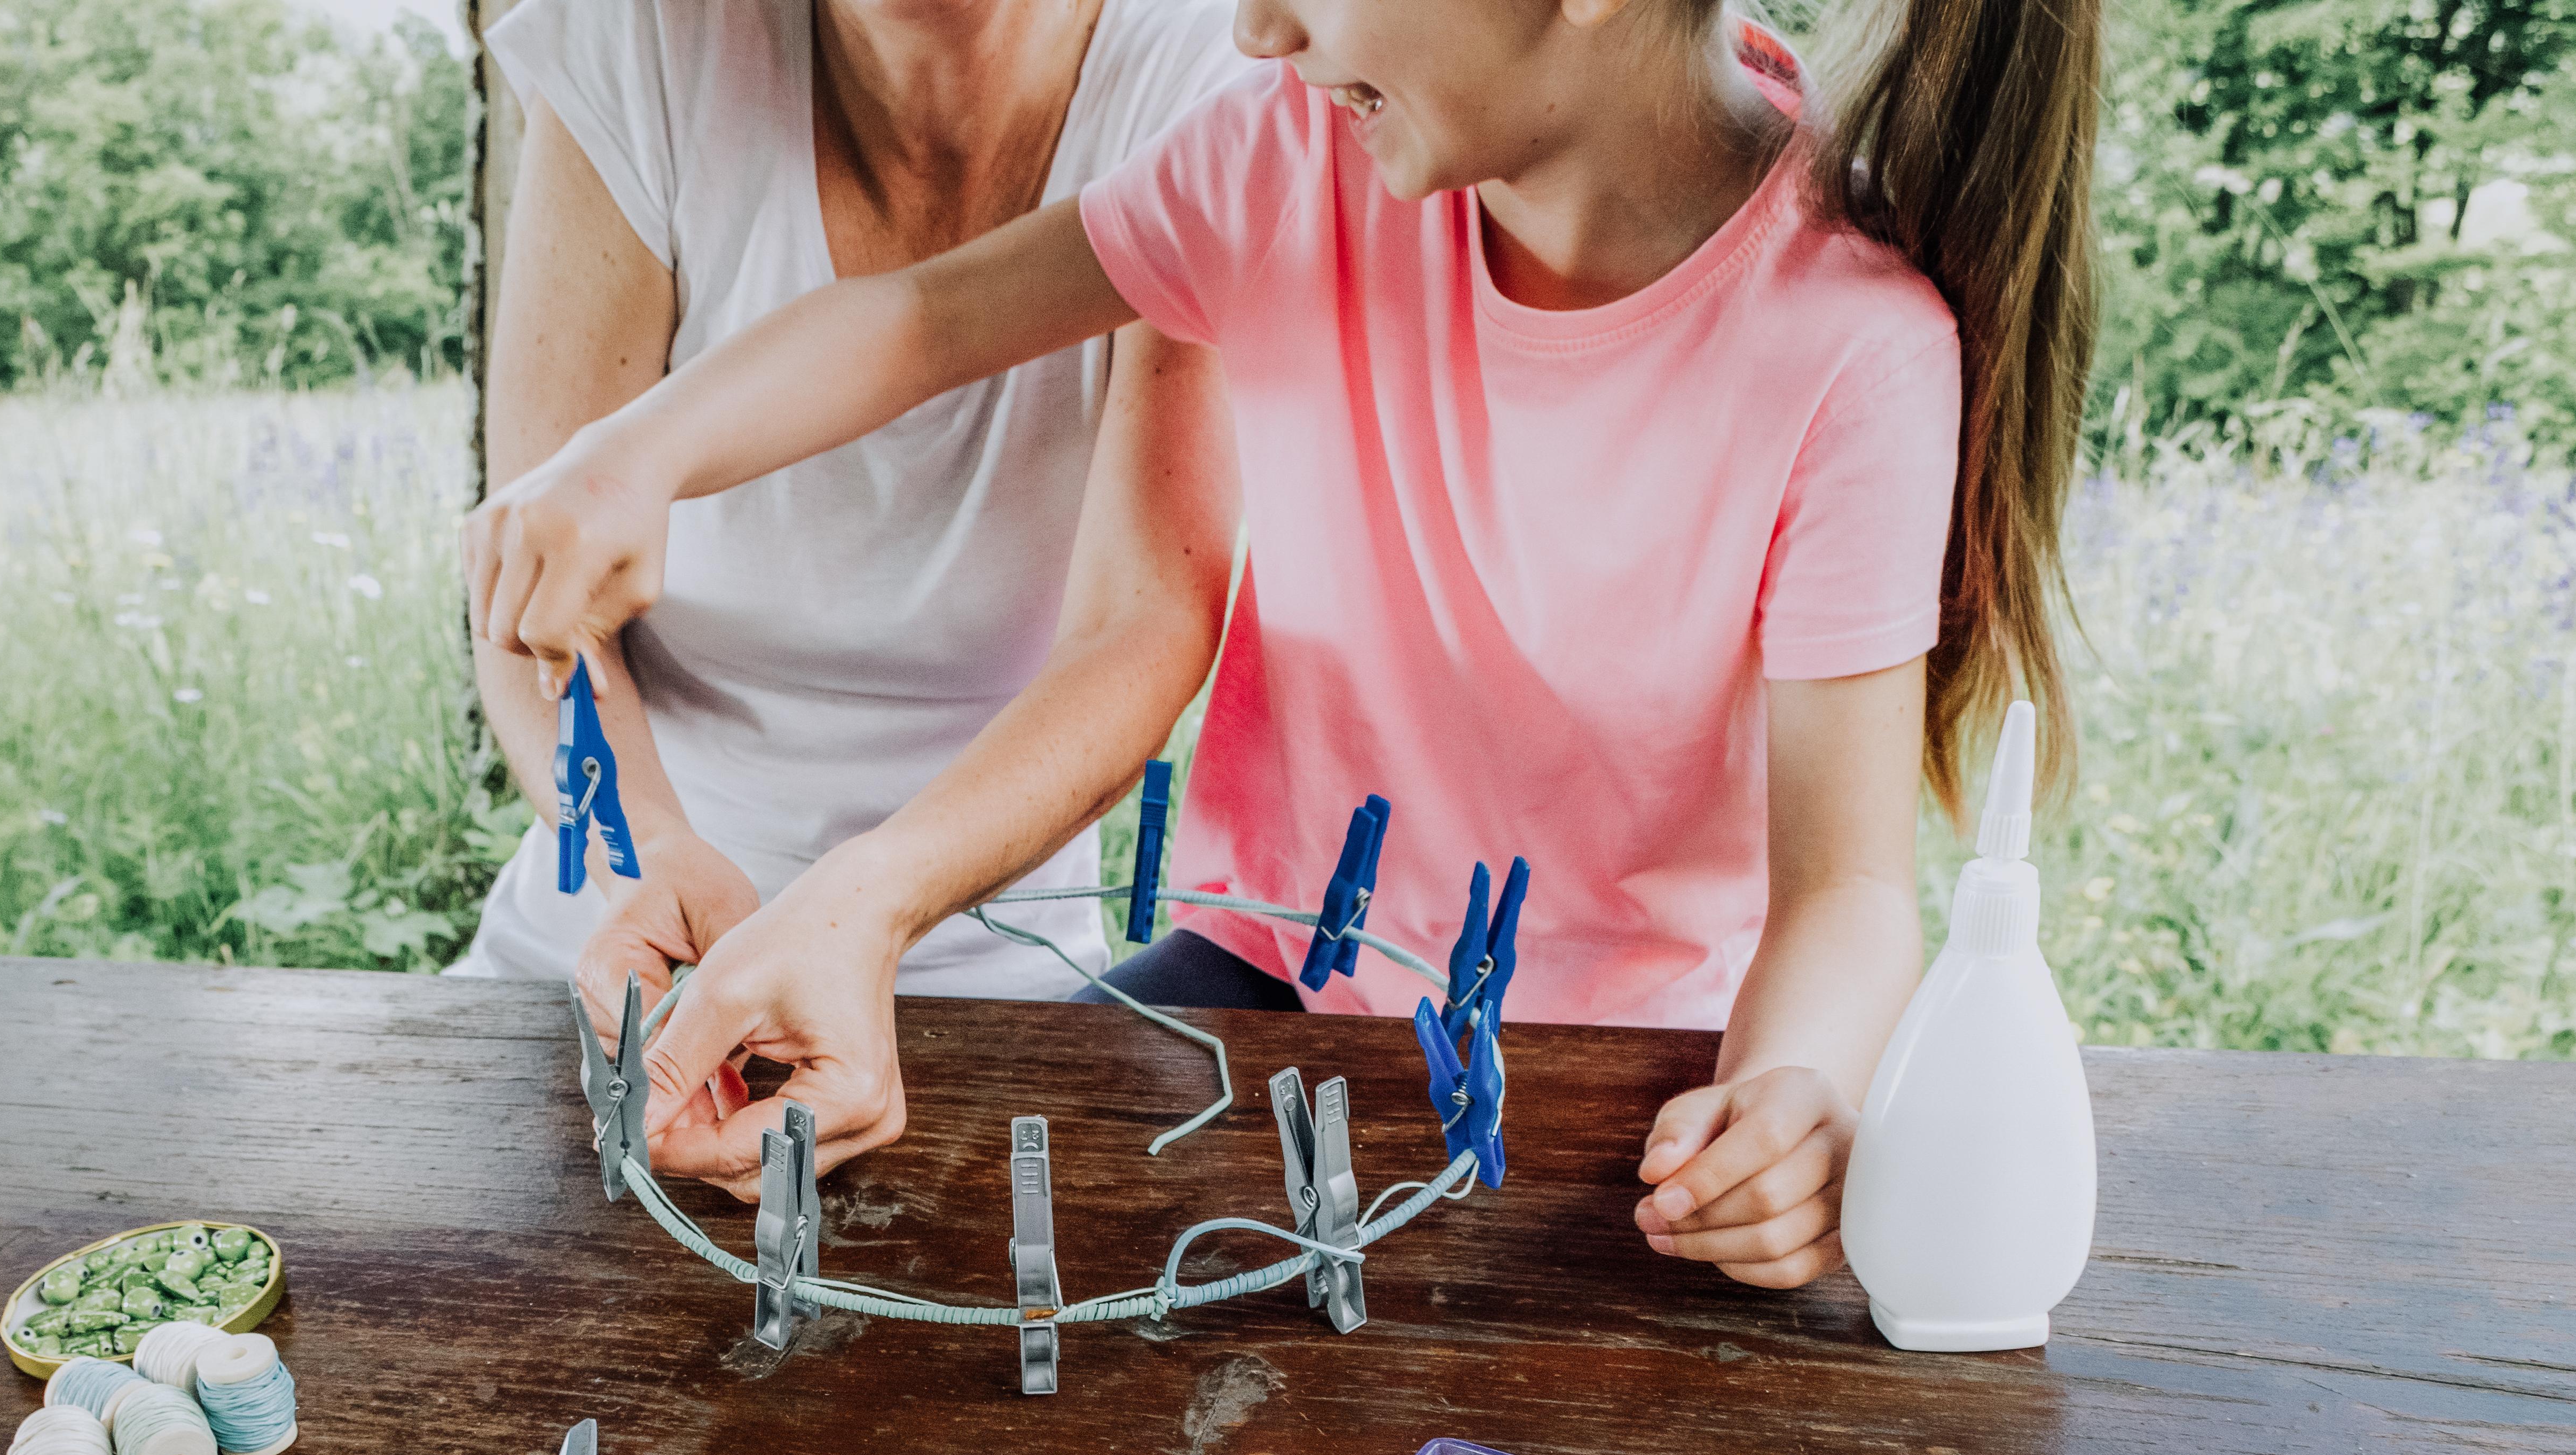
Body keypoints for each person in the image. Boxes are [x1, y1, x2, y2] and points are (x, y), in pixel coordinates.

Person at [466, 0, 2099, 1289]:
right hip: (1260, 985)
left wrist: (1799, 1096)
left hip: (1631, 1077)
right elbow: (926, 321)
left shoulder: (1855, 350)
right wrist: (642, 450)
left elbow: (1849, 892)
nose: (1252, 32)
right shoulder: (1289, 161)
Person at [453, 0, 1250, 1169]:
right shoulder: (639, 40)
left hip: (996, 985)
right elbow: (532, 601)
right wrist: (649, 863)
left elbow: (1146, 622)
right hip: (618, 959)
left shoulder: (1220, 74)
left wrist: (866, 905)